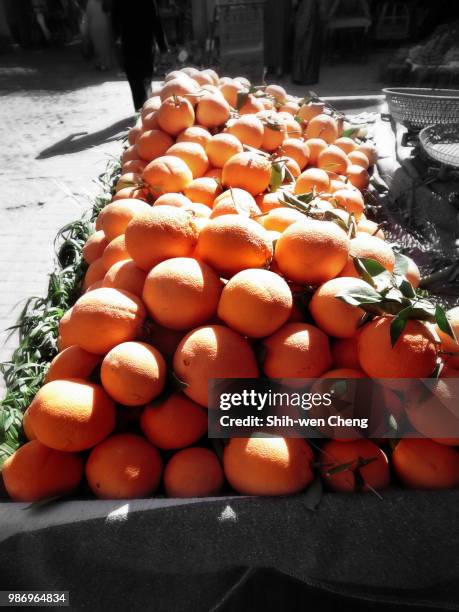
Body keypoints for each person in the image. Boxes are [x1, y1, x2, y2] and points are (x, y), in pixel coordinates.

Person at [112, 0, 168, 110]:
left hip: (129, 43)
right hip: (145, 43)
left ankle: (140, 108)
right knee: (145, 78)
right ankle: (148, 108)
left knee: (135, 80)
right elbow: (156, 22)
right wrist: (162, 46)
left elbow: (115, 20)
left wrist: (117, 37)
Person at [292, 0, 324, 85]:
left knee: (305, 41)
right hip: (308, 10)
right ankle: (305, 76)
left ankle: (303, 76)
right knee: (307, 42)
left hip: (307, 10)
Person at [86, 0, 115, 70]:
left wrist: (87, 28)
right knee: (106, 45)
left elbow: (88, 17)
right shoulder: (107, 2)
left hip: (95, 26)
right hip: (105, 25)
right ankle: (106, 64)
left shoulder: (90, 2)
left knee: (98, 45)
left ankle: (102, 64)